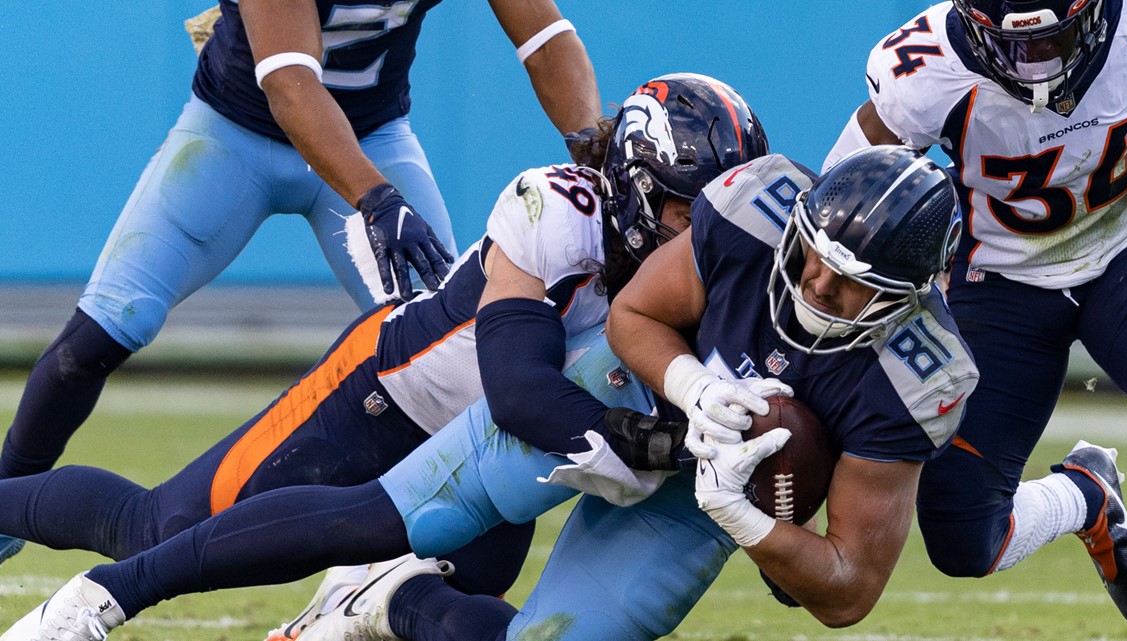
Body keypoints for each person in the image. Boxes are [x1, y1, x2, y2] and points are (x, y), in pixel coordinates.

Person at [0, 73, 770, 641]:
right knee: (152, 527)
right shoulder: (559, 207)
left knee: (443, 597)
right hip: (387, 397)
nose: (697, 235)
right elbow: (517, 388)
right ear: (632, 186)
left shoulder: (718, 268)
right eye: (680, 209)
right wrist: (645, 439)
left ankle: (361, 605)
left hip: (490, 451)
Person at [274, 144, 978, 641]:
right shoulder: (757, 208)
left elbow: (848, 589)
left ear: (909, 296)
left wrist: (745, 518)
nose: (819, 285)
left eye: (853, 280)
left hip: (707, 488)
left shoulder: (923, 376)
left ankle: (394, 600)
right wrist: (694, 386)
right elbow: (634, 315)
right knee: (408, 512)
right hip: (626, 385)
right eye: (814, 256)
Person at [0, 0, 601, 564]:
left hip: (374, 135)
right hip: (235, 133)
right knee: (107, 327)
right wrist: (377, 198)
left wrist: (596, 149)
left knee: (462, 360)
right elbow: (290, 85)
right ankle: (6, 505)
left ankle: (438, 580)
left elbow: (545, 38)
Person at [823, 0, 1127, 623]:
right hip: (1000, 285)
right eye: (1016, 46)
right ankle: (1085, 496)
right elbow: (843, 189)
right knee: (963, 533)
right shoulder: (925, 70)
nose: (1036, 67)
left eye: (1055, 40)